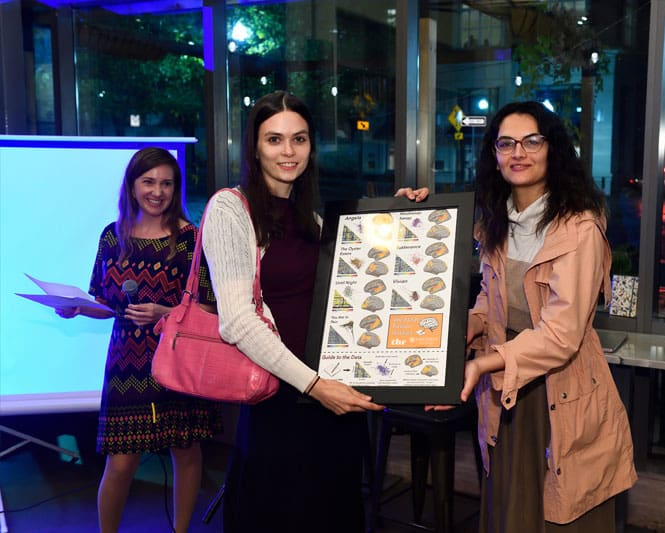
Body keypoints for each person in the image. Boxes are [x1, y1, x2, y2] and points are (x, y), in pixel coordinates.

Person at [200, 90, 428, 532]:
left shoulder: (314, 219)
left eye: (299, 139)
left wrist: (401, 217)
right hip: (280, 403)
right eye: (274, 139)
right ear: (254, 146)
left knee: (333, 514)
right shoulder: (231, 208)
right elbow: (237, 321)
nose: (288, 151)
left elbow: (362, 284)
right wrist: (315, 385)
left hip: (332, 403)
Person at [458, 101, 638, 531]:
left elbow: (562, 333)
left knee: (562, 506)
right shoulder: (496, 222)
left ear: (552, 149)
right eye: (506, 144)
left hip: (557, 388)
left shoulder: (579, 227)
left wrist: (484, 361)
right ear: (494, 156)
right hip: (505, 391)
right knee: (510, 506)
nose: (518, 153)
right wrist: (449, 337)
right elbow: (490, 301)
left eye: (531, 141)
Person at [56, 147, 224, 533]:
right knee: (121, 462)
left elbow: (210, 309)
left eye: (166, 183)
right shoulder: (112, 236)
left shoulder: (190, 239)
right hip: (125, 365)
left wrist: (163, 314)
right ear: (132, 187)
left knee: (186, 450)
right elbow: (105, 302)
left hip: (176, 359)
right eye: (148, 181)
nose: (157, 191)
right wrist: (80, 309)